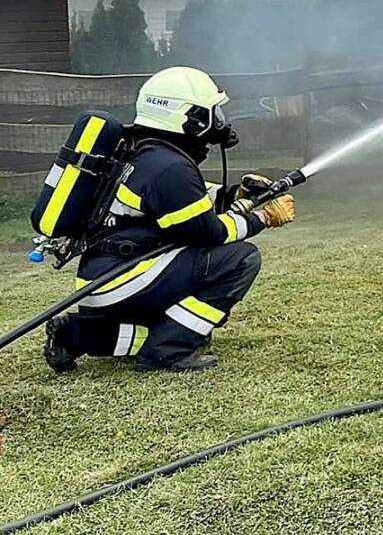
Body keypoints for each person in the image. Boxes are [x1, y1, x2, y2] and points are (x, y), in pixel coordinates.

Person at [43, 66, 296, 373]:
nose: (219, 124)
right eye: (213, 114)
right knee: (240, 259)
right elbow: (208, 233)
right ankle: (166, 351)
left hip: (102, 281)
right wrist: (263, 218)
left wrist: (236, 194)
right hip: (124, 278)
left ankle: (75, 333)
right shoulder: (167, 167)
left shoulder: (142, 151)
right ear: (191, 119)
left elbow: (184, 204)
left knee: (172, 326)